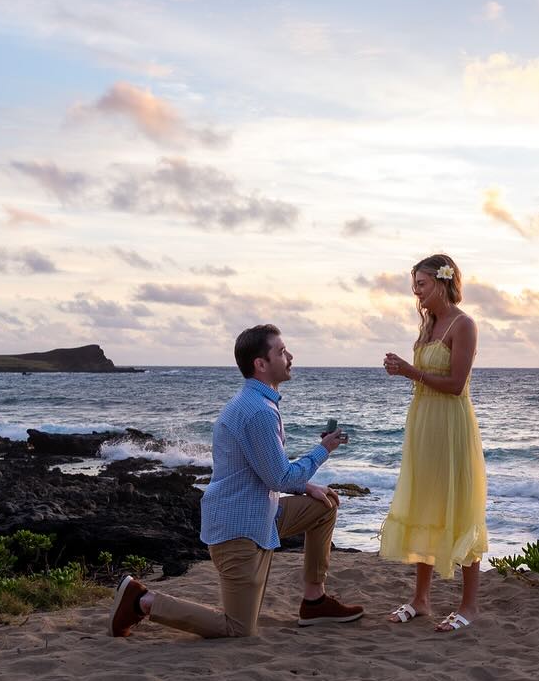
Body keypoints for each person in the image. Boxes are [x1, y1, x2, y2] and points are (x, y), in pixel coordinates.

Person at [108, 324, 364, 639]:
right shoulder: (258, 412)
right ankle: (142, 600)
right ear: (261, 364)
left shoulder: (257, 403)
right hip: (238, 532)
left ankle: (315, 601)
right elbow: (280, 477)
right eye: (282, 352)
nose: (290, 357)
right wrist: (323, 449)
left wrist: (306, 486)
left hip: (262, 516)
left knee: (325, 505)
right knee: (238, 628)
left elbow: (266, 471)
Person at [378, 254, 489, 631]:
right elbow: (423, 378)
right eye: (414, 285)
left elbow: (456, 384)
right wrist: (402, 371)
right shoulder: (428, 325)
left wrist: (410, 371)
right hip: (423, 423)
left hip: (451, 424)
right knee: (425, 503)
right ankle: (421, 599)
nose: (416, 291)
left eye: (422, 284)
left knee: (460, 505)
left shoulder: (464, 324)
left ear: (442, 283)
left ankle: (469, 605)